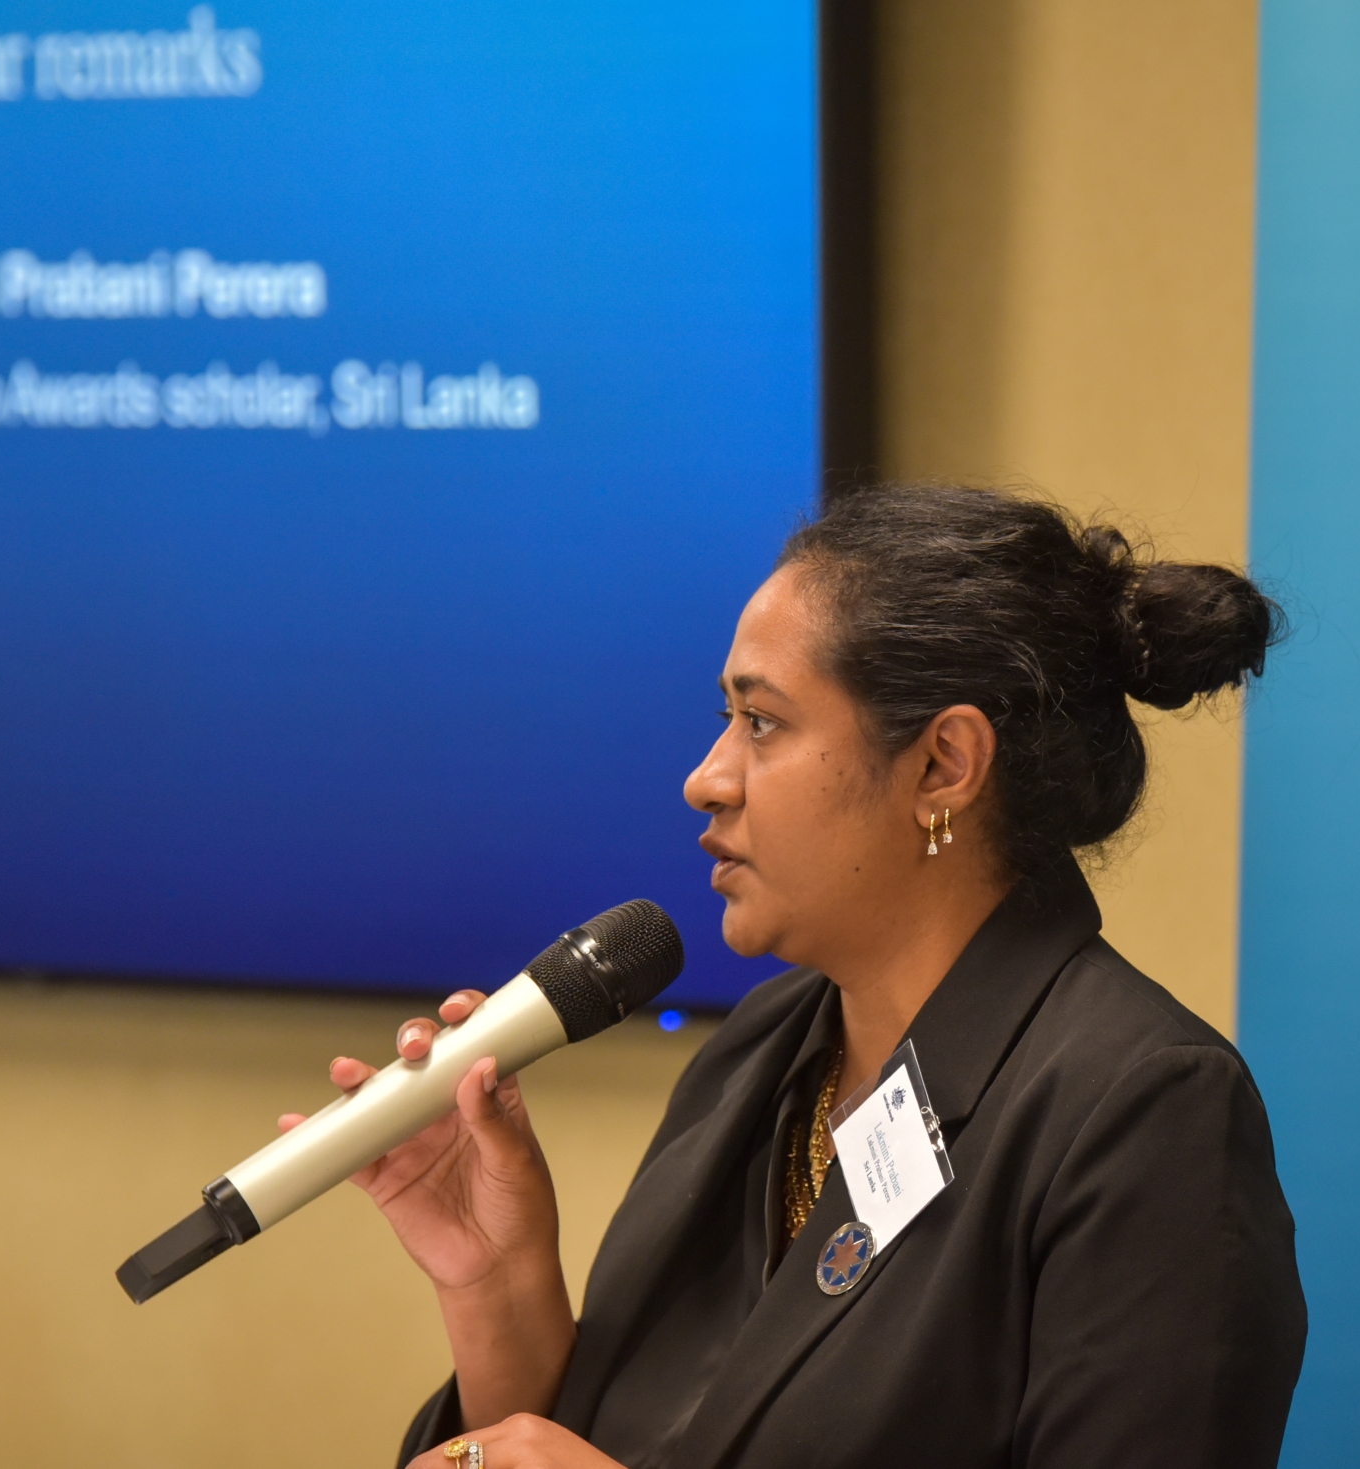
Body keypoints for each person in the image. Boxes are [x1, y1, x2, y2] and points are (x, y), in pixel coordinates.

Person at [276, 483, 1307, 1468]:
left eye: (760, 721)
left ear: (944, 763)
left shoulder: (1144, 1110)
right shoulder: (760, 1049)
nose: (706, 776)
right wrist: (495, 1278)